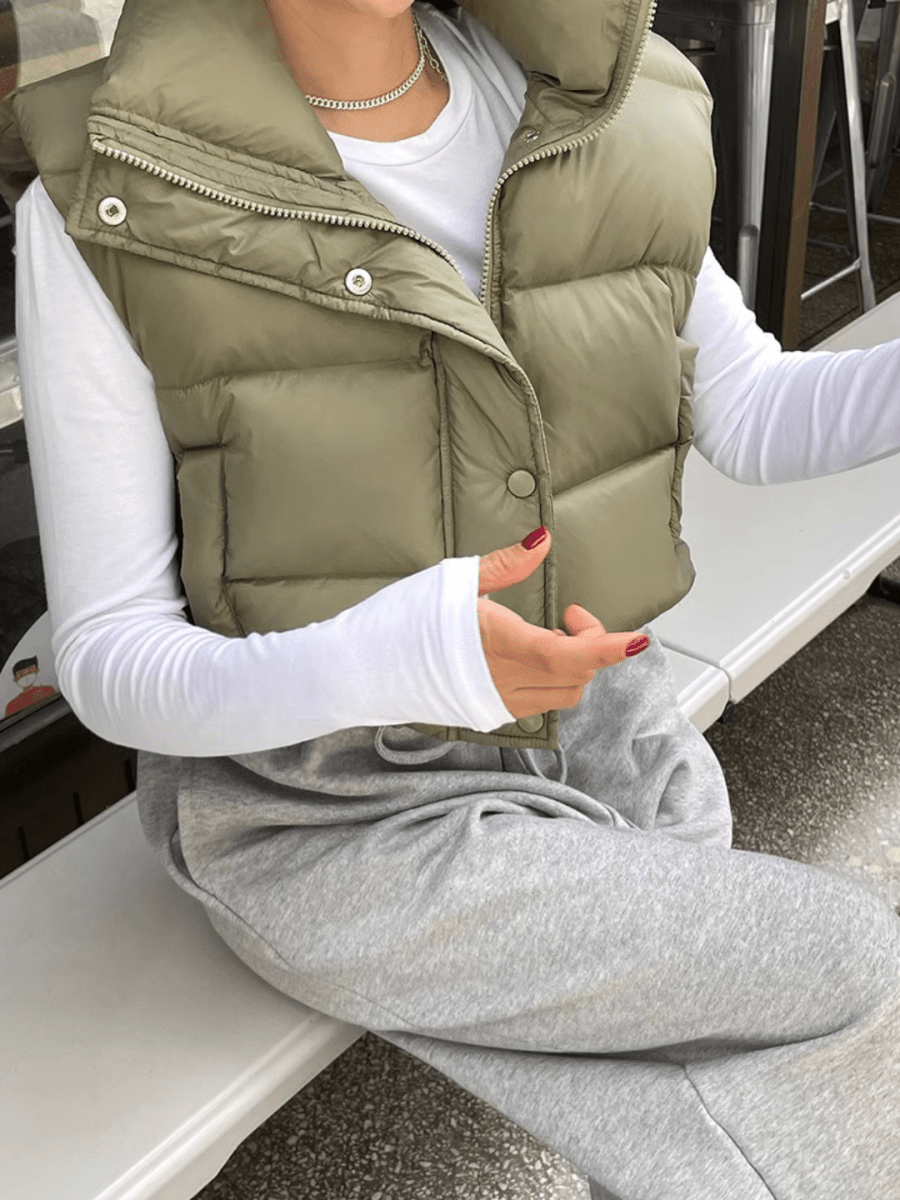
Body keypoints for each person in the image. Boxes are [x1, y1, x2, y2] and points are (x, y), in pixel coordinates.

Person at [2, 0, 900, 1195]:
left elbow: (754, 409)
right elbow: (110, 656)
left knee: (697, 1121)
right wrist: (400, 656)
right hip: (324, 812)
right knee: (844, 972)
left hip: (612, 737)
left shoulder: (602, 105)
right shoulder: (108, 187)